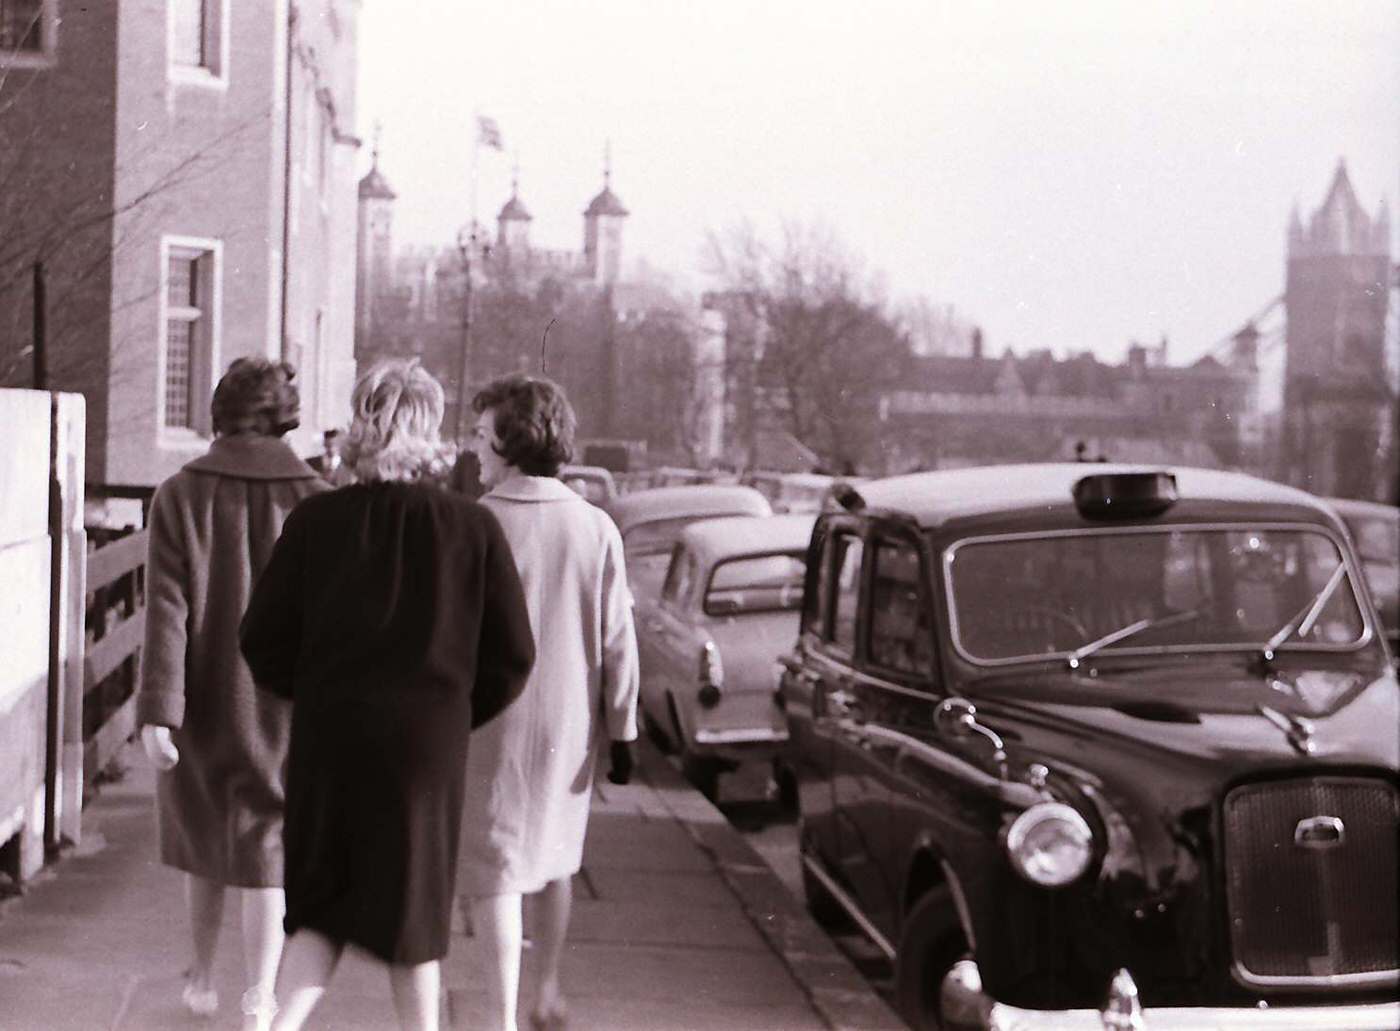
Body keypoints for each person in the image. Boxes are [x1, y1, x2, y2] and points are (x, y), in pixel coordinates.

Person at [239, 359, 535, 1031]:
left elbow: (260, 637)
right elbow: (513, 654)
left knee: (321, 905)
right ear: (428, 428)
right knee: (413, 919)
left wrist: (312, 689)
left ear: (363, 425)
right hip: (425, 750)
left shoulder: (317, 523)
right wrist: (453, 707)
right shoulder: (471, 528)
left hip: (330, 739)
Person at [136, 357, 327, 1031]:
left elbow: (165, 607)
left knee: (205, 837)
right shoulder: (316, 497)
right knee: (269, 850)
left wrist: (158, 710)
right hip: (288, 705)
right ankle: (261, 1000)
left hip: (203, 697)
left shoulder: (179, 494)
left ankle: (204, 976)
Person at [459, 374, 640, 1031]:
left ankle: (502, 1016)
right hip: (570, 725)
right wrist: (624, 729)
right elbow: (619, 639)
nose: (475, 448)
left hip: (489, 720)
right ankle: (547, 987)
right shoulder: (595, 528)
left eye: (482, 435)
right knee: (556, 855)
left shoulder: (476, 522)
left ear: (511, 443)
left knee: (496, 867)